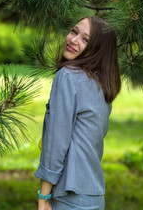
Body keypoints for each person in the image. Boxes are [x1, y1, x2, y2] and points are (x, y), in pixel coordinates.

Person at [35, 16, 121, 210]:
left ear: (97, 50)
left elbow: (57, 142)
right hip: (94, 195)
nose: (73, 40)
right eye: (74, 32)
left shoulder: (68, 76)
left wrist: (43, 196)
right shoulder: (102, 85)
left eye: (85, 40)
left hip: (68, 197)